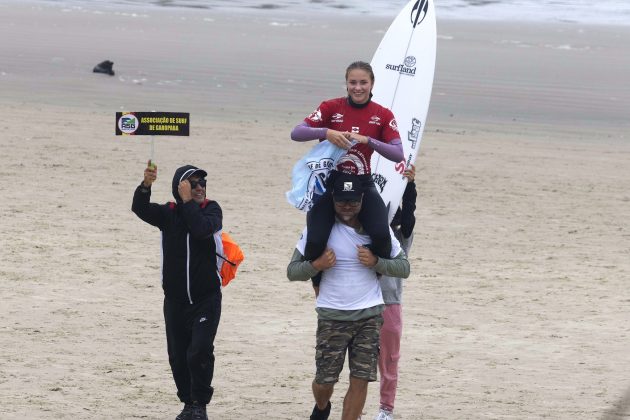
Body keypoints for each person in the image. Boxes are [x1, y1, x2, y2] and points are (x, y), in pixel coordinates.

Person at [287, 172, 410, 420]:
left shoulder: (377, 231)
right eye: (342, 200)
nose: (347, 206)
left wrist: (376, 262)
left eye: (353, 201)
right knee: (324, 383)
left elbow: (404, 268)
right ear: (333, 199)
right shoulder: (318, 229)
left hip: (370, 315)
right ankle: (322, 407)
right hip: (332, 315)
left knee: (361, 379)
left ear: (362, 199)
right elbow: (292, 272)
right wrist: (317, 264)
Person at [290, 61, 404, 287]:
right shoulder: (331, 107)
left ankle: (373, 275)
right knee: (315, 240)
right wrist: (327, 132)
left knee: (382, 236)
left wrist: (368, 140)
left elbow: (398, 153)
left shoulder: (382, 114)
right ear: (346, 84)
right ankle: (317, 286)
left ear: (372, 84)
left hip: (363, 183)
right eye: (353, 82)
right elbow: (297, 132)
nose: (358, 87)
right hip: (329, 184)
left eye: (363, 82)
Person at [132, 161, 223, 420]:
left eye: (202, 182)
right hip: (174, 302)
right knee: (178, 356)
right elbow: (139, 208)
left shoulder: (211, 210)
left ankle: (200, 404)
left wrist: (188, 202)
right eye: (192, 183)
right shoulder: (168, 214)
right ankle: (188, 402)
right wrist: (146, 185)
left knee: (199, 350)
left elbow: (201, 230)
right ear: (179, 187)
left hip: (206, 299)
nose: (200, 187)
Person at [373, 165, 417, 420]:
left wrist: (410, 186)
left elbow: (409, 214)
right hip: (363, 301)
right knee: (361, 360)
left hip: (390, 303)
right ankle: (355, 407)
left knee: (389, 360)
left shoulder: (401, 237)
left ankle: (385, 409)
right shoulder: (365, 232)